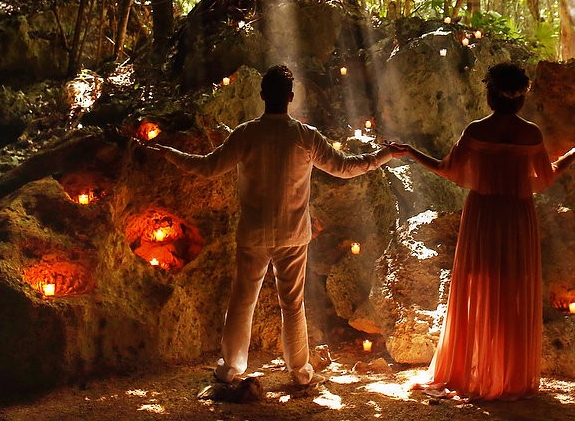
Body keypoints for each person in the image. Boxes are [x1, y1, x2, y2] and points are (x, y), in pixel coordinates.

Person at [145, 64, 395, 387]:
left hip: (254, 234)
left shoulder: (246, 134)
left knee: (242, 301)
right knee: (292, 304)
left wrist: (170, 153)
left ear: (262, 95)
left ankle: (230, 368)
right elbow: (345, 168)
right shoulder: (305, 137)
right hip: (293, 235)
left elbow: (207, 168)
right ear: (291, 98)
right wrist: (384, 155)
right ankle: (300, 372)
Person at [386, 62, 575, 400]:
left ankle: (477, 370)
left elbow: (445, 168)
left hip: (483, 216)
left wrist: (409, 151)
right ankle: (508, 375)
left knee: (478, 287)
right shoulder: (531, 134)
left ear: (490, 94)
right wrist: (572, 155)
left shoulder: (476, 131)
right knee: (513, 291)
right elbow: (545, 178)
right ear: (521, 98)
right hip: (517, 217)